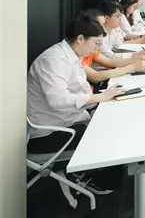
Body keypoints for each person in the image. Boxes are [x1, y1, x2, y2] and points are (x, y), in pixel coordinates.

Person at [26, 16, 135, 196]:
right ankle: (97, 181)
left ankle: (104, 175)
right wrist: (99, 98)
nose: (97, 49)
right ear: (80, 38)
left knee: (116, 119)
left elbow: (82, 89)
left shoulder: (72, 56)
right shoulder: (54, 60)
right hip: (49, 133)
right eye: (96, 43)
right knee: (109, 136)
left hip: (68, 119)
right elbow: (57, 100)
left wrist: (99, 101)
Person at [80, 8, 145, 70]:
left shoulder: (105, 34)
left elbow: (109, 61)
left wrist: (137, 57)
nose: (102, 28)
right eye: (117, 16)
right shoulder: (95, 42)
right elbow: (96, 75)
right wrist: (135, 60)